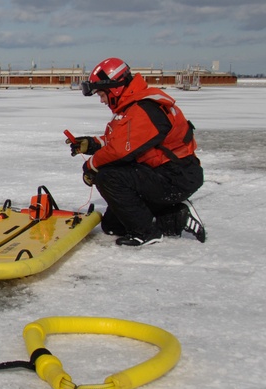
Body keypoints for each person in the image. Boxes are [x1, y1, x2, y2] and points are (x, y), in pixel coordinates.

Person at [68, 57, 205, 247]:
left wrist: (91, 166)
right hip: (162, 173)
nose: (102, 100)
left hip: (176, 175)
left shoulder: (145, 109)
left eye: (102, 94)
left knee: (109, 177)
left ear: (114, 88)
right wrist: (91, 144)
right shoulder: (134, 107)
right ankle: (173, 215)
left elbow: (120, 151)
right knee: (112, 226)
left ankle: (146, 232)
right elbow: (119, 141)